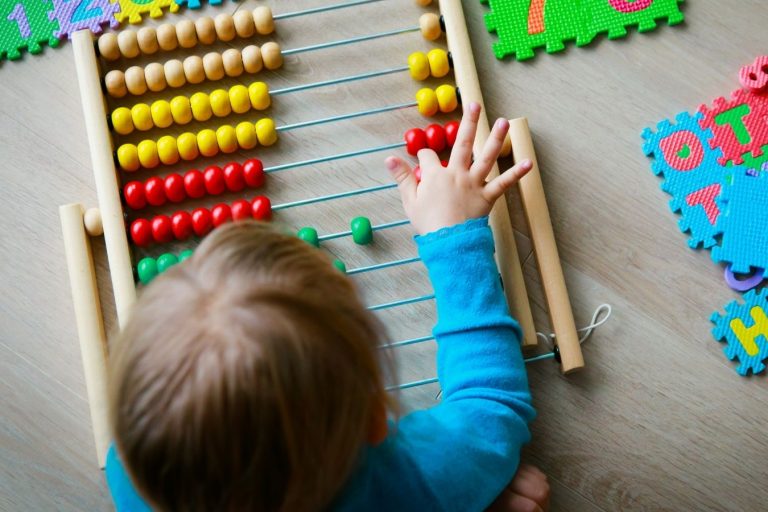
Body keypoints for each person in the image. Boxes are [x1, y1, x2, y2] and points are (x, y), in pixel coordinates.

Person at [105, 102, 549, 511]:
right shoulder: (405, 482)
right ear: (375, 419)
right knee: (522, 492)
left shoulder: (136, 472)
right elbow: (489, 408)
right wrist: (454, 240)